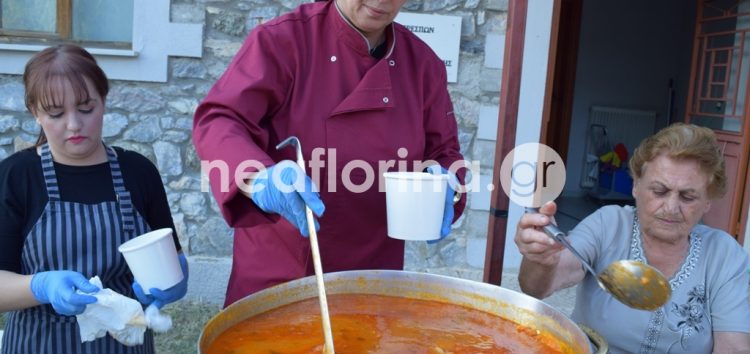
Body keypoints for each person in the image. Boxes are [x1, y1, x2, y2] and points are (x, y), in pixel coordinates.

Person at [193, 0, 466, 307]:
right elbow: (220, 119)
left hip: (374, 276)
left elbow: (445, 151)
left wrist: (447, 184)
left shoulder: (422, 65)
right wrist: (256, 177)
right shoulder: (282, 41)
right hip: (281, 272)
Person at [0, 44, 188, 354]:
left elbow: (171, 256)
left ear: (103, 100)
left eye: (86, 108)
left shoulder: (138, 172)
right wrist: (42, 286)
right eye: (56, 113)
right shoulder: (16, 177)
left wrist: (174, 279)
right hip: (40, 344)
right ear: (35, 113)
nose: (74, 124)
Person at [515, 123, 750, 353]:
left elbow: (734, 347)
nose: (671, 207)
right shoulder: (609, 225)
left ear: (708, 201)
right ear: (636, 185)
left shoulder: (724, 255)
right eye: (659, 191)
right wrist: (543, 257)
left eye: (688, 197)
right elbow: (538, 286)